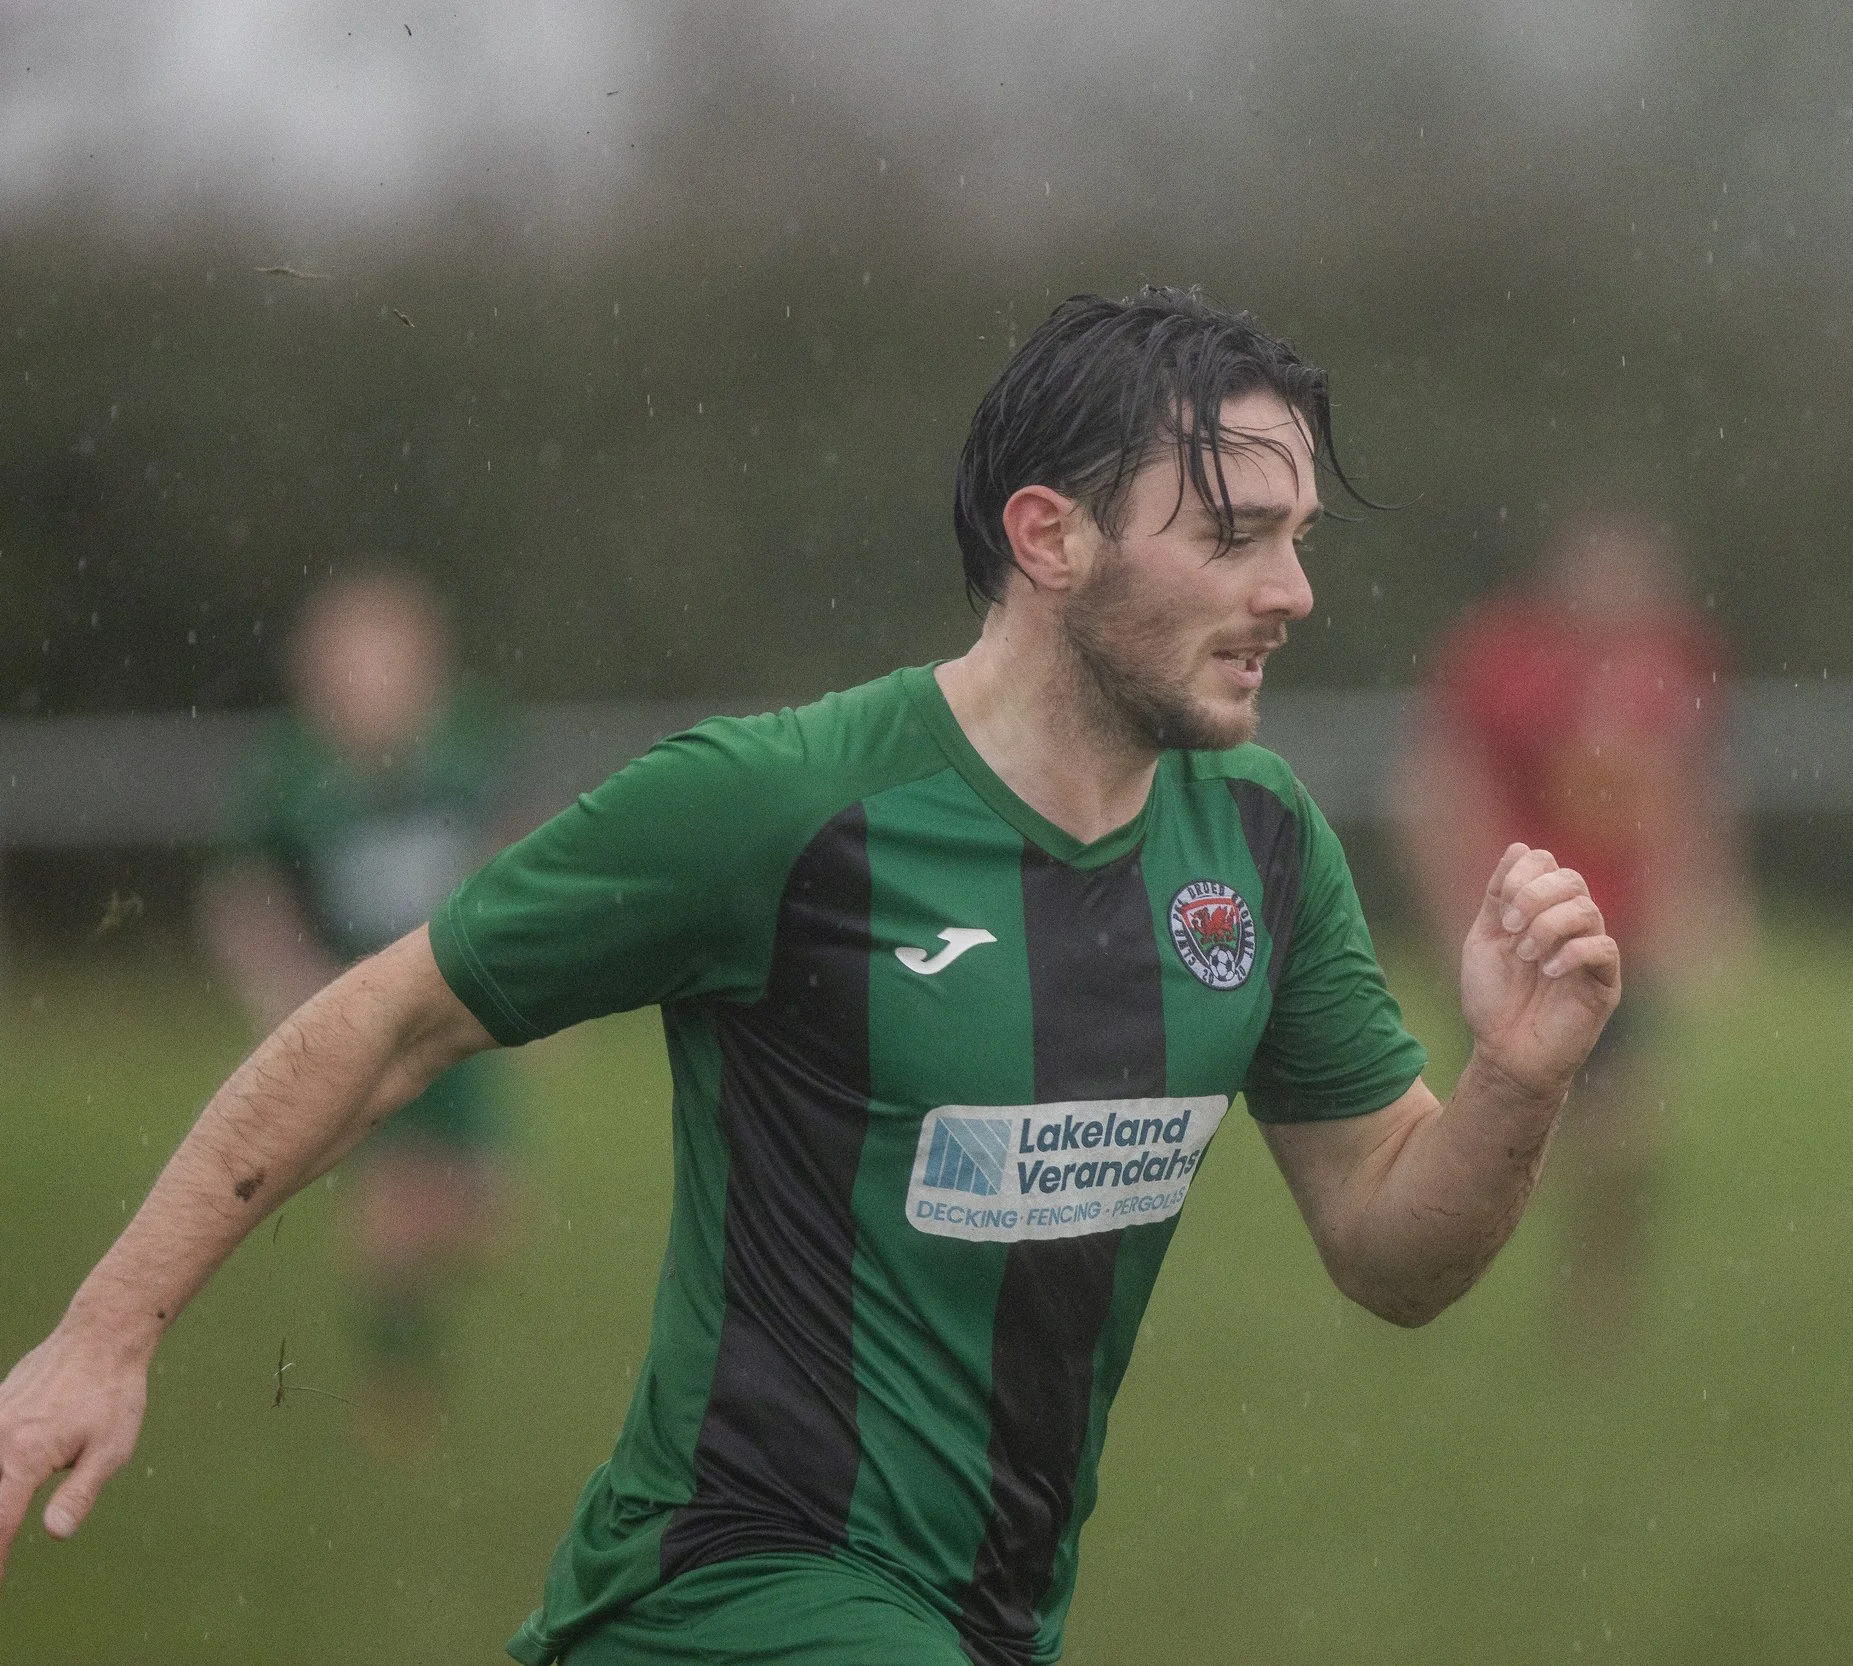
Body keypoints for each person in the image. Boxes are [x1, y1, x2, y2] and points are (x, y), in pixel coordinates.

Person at [0, 288, 1620, 1666]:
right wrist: (104, 1331)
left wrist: (1518, 1077)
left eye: (1300, 540)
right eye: (1236, 537)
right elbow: (393, 1017)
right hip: (729, 1587)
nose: (1295, 593)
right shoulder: (775, 804)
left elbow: (1394, 1248)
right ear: (1047, 540)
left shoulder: (1257, 842)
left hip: (988, 1612)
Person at [1396, 509, 1750, 1334]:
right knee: (1512, 1133)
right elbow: (1441, 784)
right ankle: (1427, 1273)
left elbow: (1692, 788)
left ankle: (1593, 1295)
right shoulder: (1503, 658)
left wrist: (1708, 901)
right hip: (1526, 932)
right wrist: (1459, 907)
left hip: (1617, 940)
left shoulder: (1674, 658)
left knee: (1628, 1137)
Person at [196, 568, 511, 1440]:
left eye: (391, 660)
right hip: (359, 1017)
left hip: (460, 1010)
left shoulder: (465, 751)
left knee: (483, 1217)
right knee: (389, 1197)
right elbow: (245, 892)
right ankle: (398, 1381)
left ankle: (409, 1298)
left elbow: (515, 846)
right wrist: (276, 976)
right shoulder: (292, 775)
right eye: (353, 663)